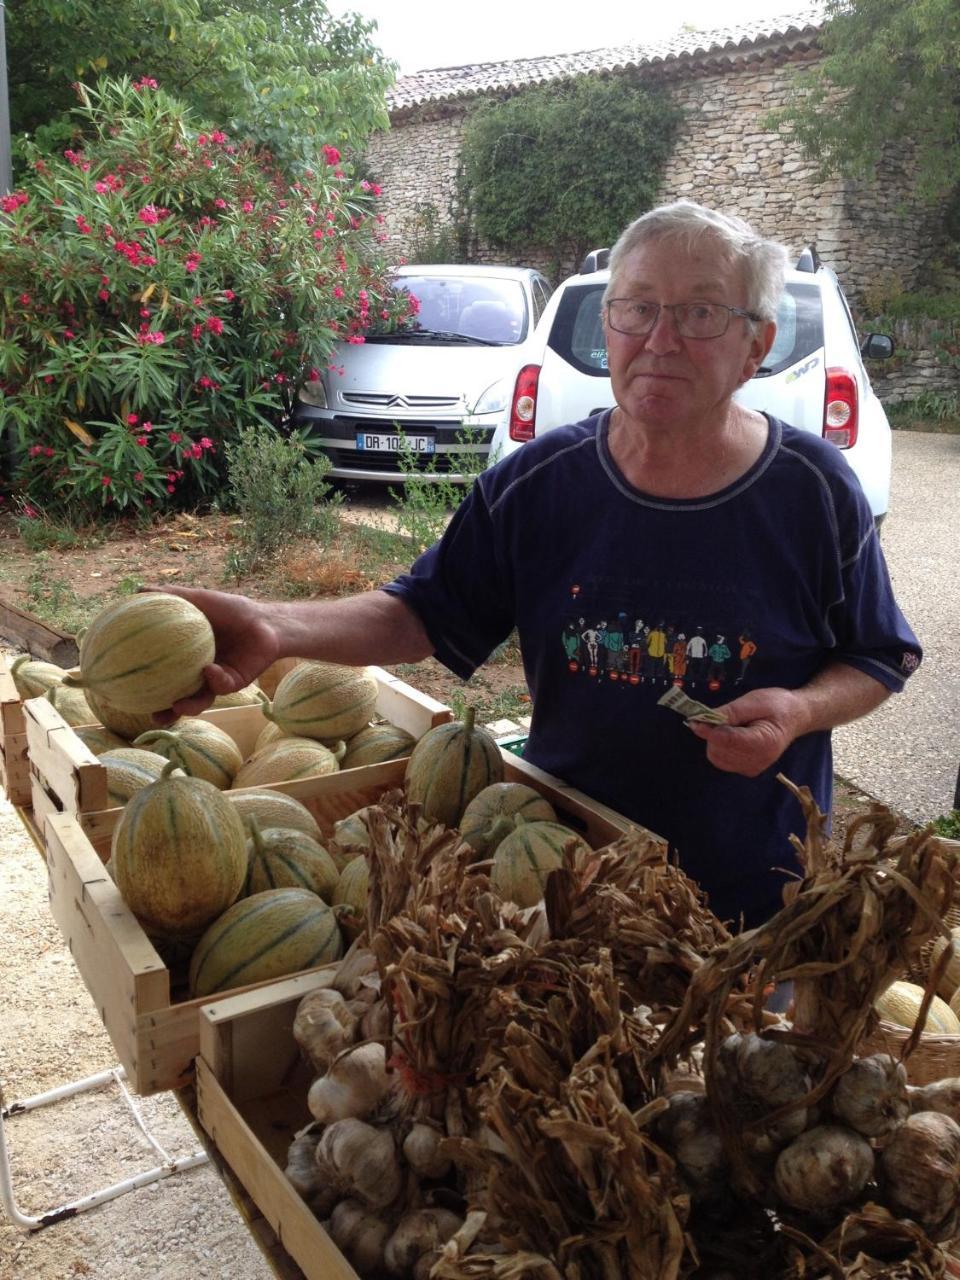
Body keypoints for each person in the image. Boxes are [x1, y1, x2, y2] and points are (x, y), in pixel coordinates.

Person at [159, 200, 921, 930]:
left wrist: (800, 711)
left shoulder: (813, 492)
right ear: (608, 326)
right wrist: (273, 624)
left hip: (752, 889)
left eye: (700, 312)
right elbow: (422, 610)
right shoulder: (539, 481)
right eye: (636, 307)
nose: (660, 337)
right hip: (564, 867)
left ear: (756, 344)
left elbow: (877, 654)